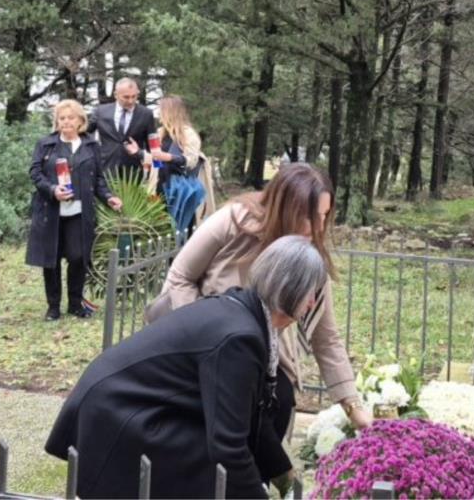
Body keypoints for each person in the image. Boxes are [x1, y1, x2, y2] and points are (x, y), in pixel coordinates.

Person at [46, 235, 326, 499]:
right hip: (120, 416)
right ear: (290, 287)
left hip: (126, 406)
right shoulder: (241, 337)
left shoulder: (244, 314)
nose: (312, 303)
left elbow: (255, 415)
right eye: (311, 293)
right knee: (206, 461)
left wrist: (285, 478)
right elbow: (228, 448)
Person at [148, 162, 373, 471]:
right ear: (285, 206)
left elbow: (325, 336)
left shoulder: (309, 254)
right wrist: (202, 336)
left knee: (277, 402)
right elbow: (180, 277)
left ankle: (257, 484)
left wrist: (352, 406)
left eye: (324, 215)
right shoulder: (234, 221)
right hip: (206, 348)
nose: (318, 227)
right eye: (310, 216)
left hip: (264, 359)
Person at [27, 99, 122, 321]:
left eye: (70, 118)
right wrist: (52, 190)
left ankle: (75, 303)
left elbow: (98, 178)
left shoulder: (91, 145)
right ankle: (53, 307)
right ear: (57, 121)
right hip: (51, 212)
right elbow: (35, 173)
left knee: (78, 257)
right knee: (51, 260)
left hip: (80, 212)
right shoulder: (46, 144)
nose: (66, 122)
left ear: (80, 120)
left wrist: (109, 197)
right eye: (62, 118)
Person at [145, 95, 206, 238]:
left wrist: (167, 157)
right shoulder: (160, 133)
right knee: (161, 231)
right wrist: (139, 153)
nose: (159, 114)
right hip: (160, 187)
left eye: (161, 110)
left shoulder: (187, 134)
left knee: (181, 228)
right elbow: (157, 161)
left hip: (179, 190)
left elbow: (191, 161)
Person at [89, 77, 156, 174]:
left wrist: (155, 170)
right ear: (116, 95)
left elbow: (152, 145)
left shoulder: (146, 114)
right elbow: (85, 133)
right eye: (126, 97)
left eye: (134, 96)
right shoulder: (100, 112)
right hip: (106, 169)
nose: (131, 101)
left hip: (134, 172)